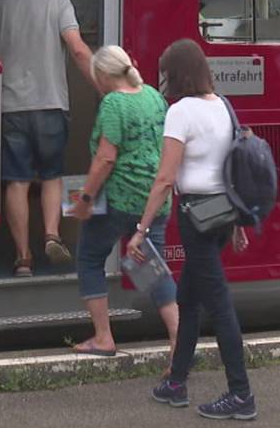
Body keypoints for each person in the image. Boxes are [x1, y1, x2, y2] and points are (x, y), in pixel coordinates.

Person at [127, 38, 256, 421]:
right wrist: (238, 223)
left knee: (219, 305)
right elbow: (232, 168)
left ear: (176, 74)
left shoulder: (180, 112)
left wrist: (141, 229)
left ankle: (241, 393)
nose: (163, 79)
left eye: (166, 72)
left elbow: (165, 178)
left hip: (196, 216)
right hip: (222, 213)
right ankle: (176, 382)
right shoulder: (223, 105)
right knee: (188, 298)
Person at [0, 0, 94, 277]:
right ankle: (52, 234)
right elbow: (77, 49)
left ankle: (23, 257)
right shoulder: (58, 2)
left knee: (16, 182)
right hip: (50, 104)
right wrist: (104, 81)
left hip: (10, 107)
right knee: (52, 175)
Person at [70, 45, 178, 356]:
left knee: (90, 259)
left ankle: (103, 337)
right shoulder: (153, 96)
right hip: (155, 201)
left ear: (103, 75)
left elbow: (105, 158)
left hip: (120, 198)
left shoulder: (114, 103)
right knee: (153, 269)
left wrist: (85, 199)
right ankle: (178, 339)